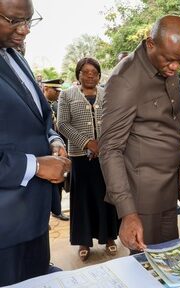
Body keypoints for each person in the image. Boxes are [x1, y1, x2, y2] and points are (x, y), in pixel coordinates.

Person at [99, 15, 180, 252]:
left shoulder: (167, 68)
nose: (174, 68)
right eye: (170, 60)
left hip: (168, 190)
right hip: (143, 199)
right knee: (147, 268)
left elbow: (172, 123)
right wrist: (128, 212)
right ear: (150, 44)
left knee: (169, 259)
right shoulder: (125, 80)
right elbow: (110, 149)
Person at [0, 0, 71, 285]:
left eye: (30, 20)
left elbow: (41, 117)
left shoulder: (15, 56)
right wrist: (36, 166)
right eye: (15, 20)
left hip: (34, 219)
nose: (25, 30)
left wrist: (53, 140)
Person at [57, 58, 119, 261]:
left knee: (108, 197)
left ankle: (110, 237)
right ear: (78, 75)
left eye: (94, 72)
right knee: (82, 200)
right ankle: (83, 241)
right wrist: (87, 142)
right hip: (80, 157)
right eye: (85, 72)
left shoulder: (108, 93)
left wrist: (103, 143)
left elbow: (115, 120)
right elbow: (63, 124)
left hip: (106, 155)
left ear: (100, 75)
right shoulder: (67, 95)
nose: (90, 75)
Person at [42, 78, 70, 221]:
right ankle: (44, 216)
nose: (58, 93)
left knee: (57, 184)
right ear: (46, 88)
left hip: (57, 150)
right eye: (55, 90)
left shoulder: (55, 105)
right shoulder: (40, 105)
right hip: (44, 154)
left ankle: (56, 210)